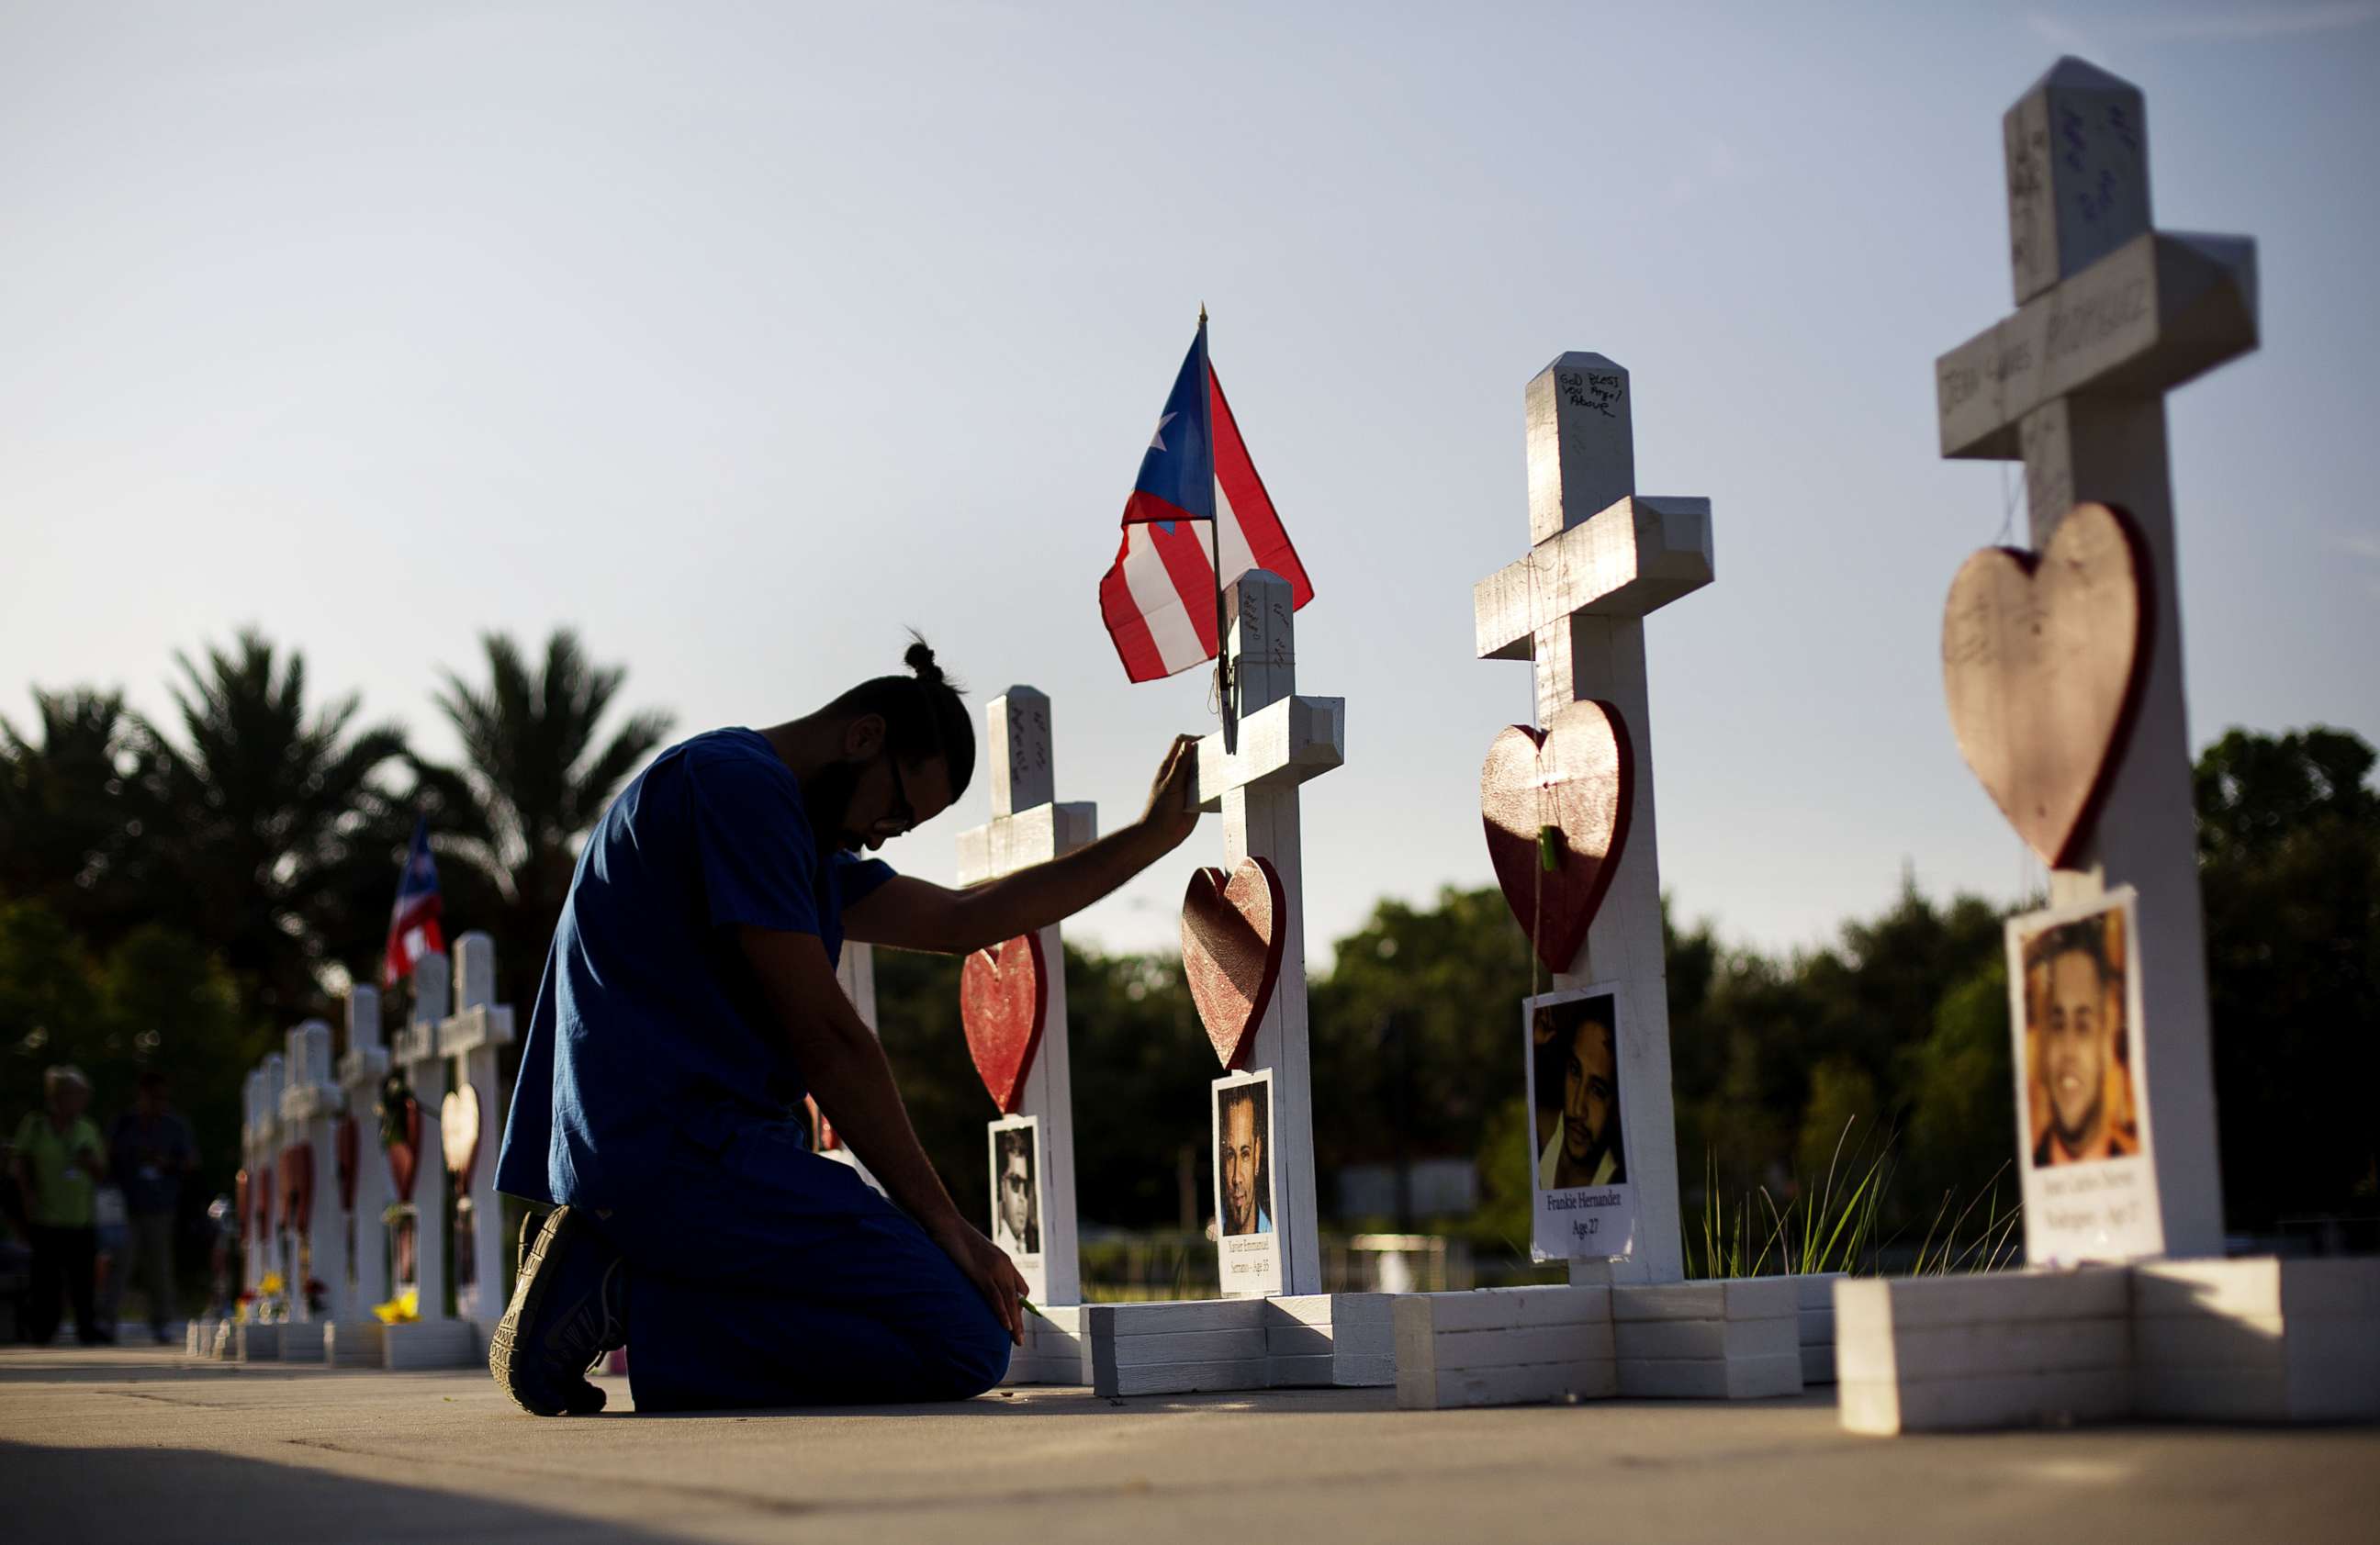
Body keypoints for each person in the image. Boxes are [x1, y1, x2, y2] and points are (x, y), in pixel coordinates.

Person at [490, 642, 1200, 1416]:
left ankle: (612, 1288)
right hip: (677, 1149)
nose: (884, 834)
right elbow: (831, 1041)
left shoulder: (794, 832)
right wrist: (948, 1224)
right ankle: (616, 1290)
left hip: (685, 1151)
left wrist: (1148, 837)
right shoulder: (740, 790)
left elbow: (967, 919)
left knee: (945, 1321)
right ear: (863, 738)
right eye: (896, 808)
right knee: (962, 1336)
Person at [2027, 918, 2139, 1167]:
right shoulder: (2028, 1181)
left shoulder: (2145, 1175)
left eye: (2083, 1026)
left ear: (2108, 1042)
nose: (2068, 1051)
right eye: (2057, 1025)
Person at [12, 1066, 110, 1345]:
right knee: (45, 1279)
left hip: (80, 1216)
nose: (81, 1101)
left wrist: (89, 1162)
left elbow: (102, 1172)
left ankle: (87, 1327)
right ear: (57, 1096)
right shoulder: (35, 1125)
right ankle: (43, 1328)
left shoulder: (86, 1128)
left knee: (82, 1279)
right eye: (76, 1095)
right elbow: (19, 1163)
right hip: (45, 1215)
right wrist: (27, 1197)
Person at [109, 1071, 197, 1344]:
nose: (159, 1103)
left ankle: (161, 1321)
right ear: (142, 1095)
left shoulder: (174, 1126)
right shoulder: (125, 1124)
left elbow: (191, 1162)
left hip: (160, 1206)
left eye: (163, 1098)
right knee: (119, 1264)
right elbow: (108, 1156)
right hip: (126, 1205)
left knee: (159, 1266)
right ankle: (105, 1319)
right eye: (154, 1097)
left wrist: (166, 1163)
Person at [1536, 1002, 1625, 1191]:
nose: (1578, 1108)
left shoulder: (1620, 1181)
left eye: (1597, 1091)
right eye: (1575, 1071)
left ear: (1618, 1106)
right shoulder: (1540, 1136)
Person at [1218, 1083, 1271, 1237]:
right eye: (1230, 1155)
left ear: (1257, 1154)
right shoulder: (1214, 1235)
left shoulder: (1275, 1238)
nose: (1237, 1178)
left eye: (1245, 1154)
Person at [990, 1127, 1038, 1258]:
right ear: (1001, 1186)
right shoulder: (992, 1251)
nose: (1023, 1198)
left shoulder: (1032, 1247)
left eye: (1026, 1187)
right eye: (1015, 1183)